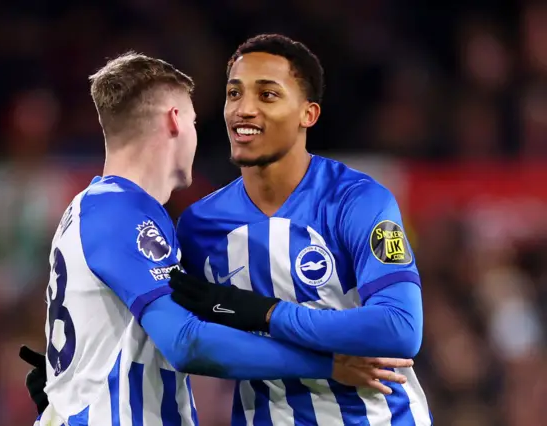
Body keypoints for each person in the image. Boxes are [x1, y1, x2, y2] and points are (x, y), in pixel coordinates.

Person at [22, 51, 412, 426]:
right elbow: (187, 342)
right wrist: (328, 365)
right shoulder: (120, 212)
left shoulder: (97, 209)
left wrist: (66, 381)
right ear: (175, 120)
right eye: (194, 121)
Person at [169, 34, 433, 425]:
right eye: (234, 93)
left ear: (308, 114)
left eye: (268, 95)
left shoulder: (358, 201)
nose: (244, 109)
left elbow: (400, 327)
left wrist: (268, 314)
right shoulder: (199, 227)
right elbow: (183, 339)